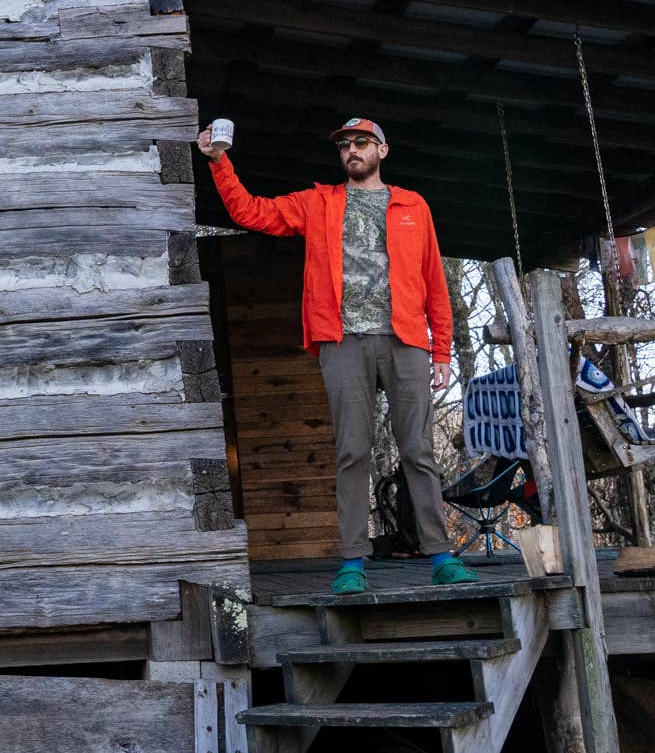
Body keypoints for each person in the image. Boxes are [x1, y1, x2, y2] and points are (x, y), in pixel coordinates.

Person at [196, 116, 475, 594]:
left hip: (406, 340)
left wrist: (443, 350)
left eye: (362, 142)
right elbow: (250, 213)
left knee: (418, 451)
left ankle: (441, 555)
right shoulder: (318, 203)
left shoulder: (413, 205)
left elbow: (435, 282)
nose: (352, 150)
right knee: (352, 451)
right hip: (342, 341)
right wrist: (219, 162)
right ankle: (352, 561)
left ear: (381, 151)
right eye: (345, 144)